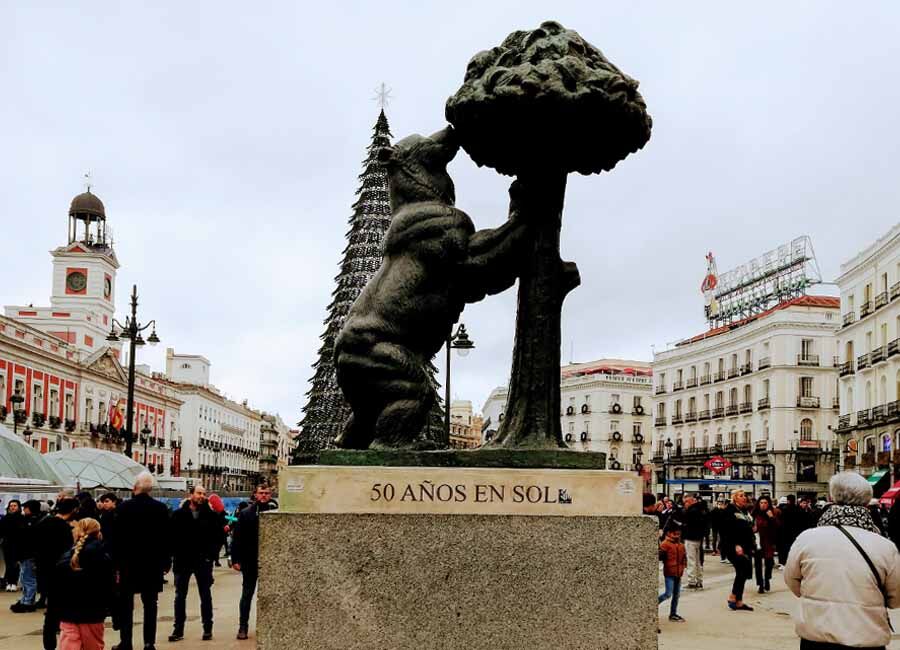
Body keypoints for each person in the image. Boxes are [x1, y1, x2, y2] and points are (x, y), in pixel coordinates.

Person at [785, 472, 900, 650]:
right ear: (867, 501)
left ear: (832, 497)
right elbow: (896, 598)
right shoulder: (885, 547)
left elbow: (792, 582)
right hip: (866, 637)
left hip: (817, 636)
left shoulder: (807, 539)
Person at [112, 471, 171, 650]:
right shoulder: (160, 509)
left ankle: (126, 641)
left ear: (134, 487)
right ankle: (148, 642)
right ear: (150, 489)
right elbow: (165, 539)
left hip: (128, 564)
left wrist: (115, 565)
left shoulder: (123, 508)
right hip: (152, 565)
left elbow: (117, 539)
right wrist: (166, 562)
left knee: (126, 605)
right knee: (151, 604)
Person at [169, 484, 222, 642]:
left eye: (204, 494)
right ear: (190, 494)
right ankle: (178, 629)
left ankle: (207, 628)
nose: (201, 496)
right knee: (180, 596)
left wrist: (210, 556)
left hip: (202, 561)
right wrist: (173, 555)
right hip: (183, 560)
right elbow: (171, 537)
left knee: (205, 595)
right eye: (199, 493)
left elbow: (217, 537)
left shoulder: (210, 515)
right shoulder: (178, 514)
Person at [54, 518, 115, 650]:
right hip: (93, 614)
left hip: (68, 613)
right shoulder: (103, 558)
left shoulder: (65, 558)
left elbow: (56, 591)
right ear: (99, 533)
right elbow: (110, 589)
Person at [231, 483, 276, 640]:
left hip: (270, 561)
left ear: (270, 495)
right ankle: (243, 626)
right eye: (261, 493)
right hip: (250, 560)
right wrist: (235, 558)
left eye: (266, 493)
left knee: (271, 595)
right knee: (247, 594)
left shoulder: (276, 513)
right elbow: (237, 538)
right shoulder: (246, 513)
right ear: (255, 495)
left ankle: (271, 626)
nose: (264, 495)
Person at [36, 497, 80, 650]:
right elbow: (68, 554)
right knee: (63, 614)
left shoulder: (43, 522)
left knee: (50, 615)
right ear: (73, 510)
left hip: (44, 573)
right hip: (60, 576)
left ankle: (49, 646)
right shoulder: (64, 529)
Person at [720, 489, 755, 611]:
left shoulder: (745, 511)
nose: (744, 497)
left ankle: (739, 601)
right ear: (734, 498)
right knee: (742, 570)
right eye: (741, 495)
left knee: (744, 572)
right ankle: (733, 596)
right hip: (733, 546)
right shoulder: (729, 510)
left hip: (746, 545)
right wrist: (735, 545)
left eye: (744, 495)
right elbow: (726, 530)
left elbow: (748, 526)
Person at [10, 500, 44, 612]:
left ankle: (28, 602)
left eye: (26, 507)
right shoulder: (28, 520)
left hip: (29, 554)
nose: (24, 509)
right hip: (25, 554)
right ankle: (25, 599)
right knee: (25, 578)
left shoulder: (35, 522)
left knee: (28, 579)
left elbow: (28, 539)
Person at [657, 523, 687, 623]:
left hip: (678, 573)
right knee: (668, 594)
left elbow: (683, 558)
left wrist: (683, 566)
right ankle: (653, 604)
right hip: (670, 572)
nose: (677, 536)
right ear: (669, 533)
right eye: (675, 534)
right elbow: (660, 556)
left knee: (676, 595)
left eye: (678, 534)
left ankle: (673, 614)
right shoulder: (665, 544)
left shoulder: (681, 545)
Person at [752, 495, 779, 593]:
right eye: (761, 503)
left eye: (765, 503)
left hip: (769, 541)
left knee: (769, 563)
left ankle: (767, 579)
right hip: (758, 542)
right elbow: (750, 526)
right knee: (758, 564)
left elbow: (777, 526)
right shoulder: (755, 514)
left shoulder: (772, 513)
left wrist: (771, 517)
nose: (763, 505)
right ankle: (760, 584)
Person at [681, 494, 708, 589]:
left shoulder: (690, 511)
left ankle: (691, 581)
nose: (685, 504)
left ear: (691, 501)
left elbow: (685, 524)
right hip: (699, 538)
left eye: (686, 502)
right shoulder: (702, 510)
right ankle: (699, 580)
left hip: (690, 537)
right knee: (698, 560)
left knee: (691, 560)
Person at [0, 499, 23, 592]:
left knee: (15, 564)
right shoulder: (6, 518)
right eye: (11, 506)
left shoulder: (22, 518)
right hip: (7, 544)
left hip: (18, 544)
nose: (12, 507)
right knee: (8, 563)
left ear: (18, 507)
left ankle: (14, 582)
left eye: (14, 506)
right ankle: (9, 582)